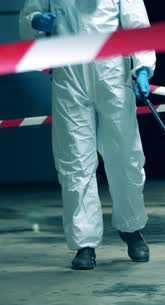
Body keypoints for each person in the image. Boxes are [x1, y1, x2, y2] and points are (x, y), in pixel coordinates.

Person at [19, 0, 156, 270]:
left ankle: (132, 229)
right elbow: (27, 17)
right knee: (75, 161)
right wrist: (34, 22)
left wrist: (142, 68)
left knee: (125, 157)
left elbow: (137, 26)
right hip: (69, 78)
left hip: (113, 76)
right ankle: (85, 243)